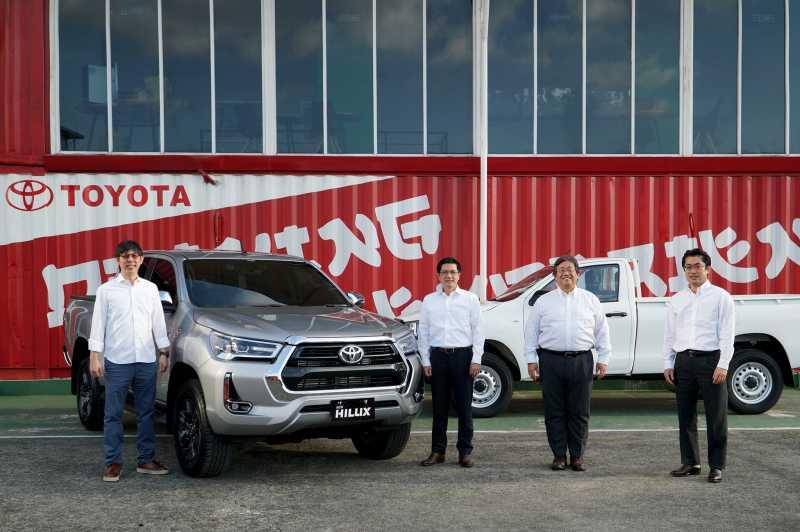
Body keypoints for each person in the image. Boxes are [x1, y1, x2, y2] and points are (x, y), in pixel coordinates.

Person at [89, 240, 170, 482]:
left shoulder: (150, 289)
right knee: (113, 414)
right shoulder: (106, 290)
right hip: (117, 361)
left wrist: (163, 352)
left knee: (146, 413)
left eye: (134, 255)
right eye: (125, 256)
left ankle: (146, 460)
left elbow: (158, 322)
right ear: (118, 261)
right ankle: (113, 463)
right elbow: (98, 325)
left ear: (141, 260)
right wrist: (95, 356)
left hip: (146, 361)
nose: (130, 259)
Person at [525, 255, 611, 472]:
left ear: (578, 274)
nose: (566, 273)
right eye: (561, 270)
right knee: (554, 411)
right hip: (550, 360)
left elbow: (602, 331)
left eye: (570, 269)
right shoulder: (543, 302)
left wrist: (603, 359)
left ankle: (577, 456)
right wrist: (530, 360)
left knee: (580, 411)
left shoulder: (590, 300)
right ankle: (559, 456)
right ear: (554, 276)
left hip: (582, 360)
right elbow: (531, 333)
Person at [663, 248, 734, 483]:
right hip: (683, 362)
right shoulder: (677, 299)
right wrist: (668, 362)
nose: (693, 271)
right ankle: (691, 462)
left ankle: (717, 466)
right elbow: (670, 335)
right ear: (684, 270)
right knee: (686, 416)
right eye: (688, 267)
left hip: (711, 361)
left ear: (708, 268)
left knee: (716, 416)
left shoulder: (721, 297)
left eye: (697, 266)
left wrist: (723, 364)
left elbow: (727, 334)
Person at [418, 257, 484, 468]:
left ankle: (465, 452)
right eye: (445, 272)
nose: (449, 276)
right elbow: (424, 332)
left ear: (459, 275)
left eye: (453, 272)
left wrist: (476, 359)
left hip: (463, 357)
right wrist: (426, 360)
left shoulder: (470, 299)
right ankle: (438, 451)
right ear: (439, 275)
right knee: (439, 408)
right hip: (438, 357)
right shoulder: (429, 300)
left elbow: (478, 331)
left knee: (465, 408)